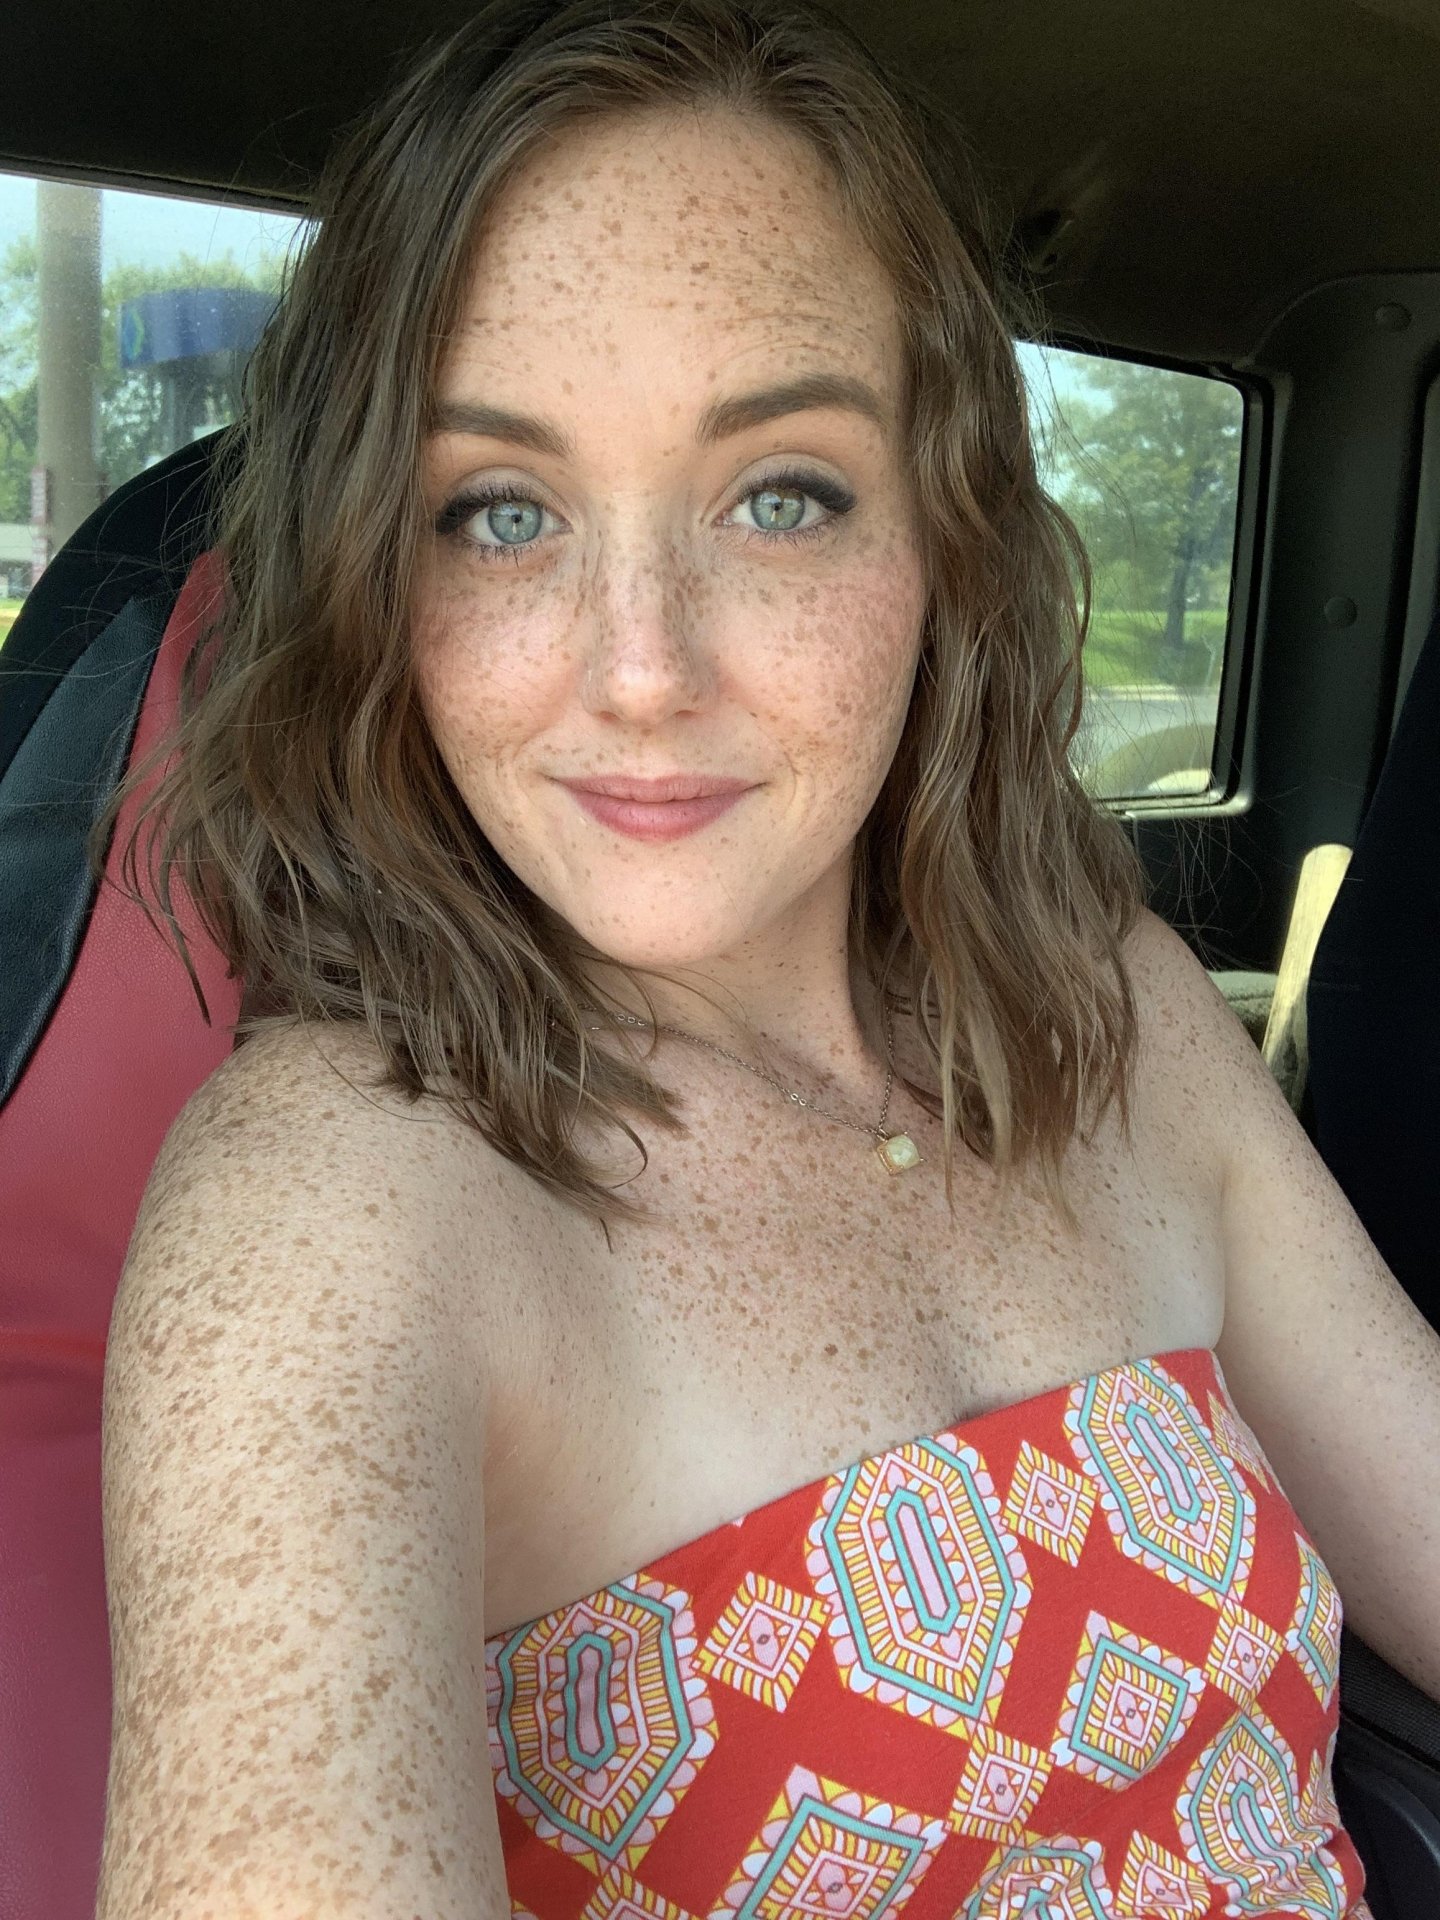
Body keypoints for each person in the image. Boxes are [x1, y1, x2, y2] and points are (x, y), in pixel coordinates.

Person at [92, 1, 1436, 1914]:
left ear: (945, 539)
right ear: (377, 584)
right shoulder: (334, 1199)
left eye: (780, 494)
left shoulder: (1112, 1006)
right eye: (499, 514)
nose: (641, 668)